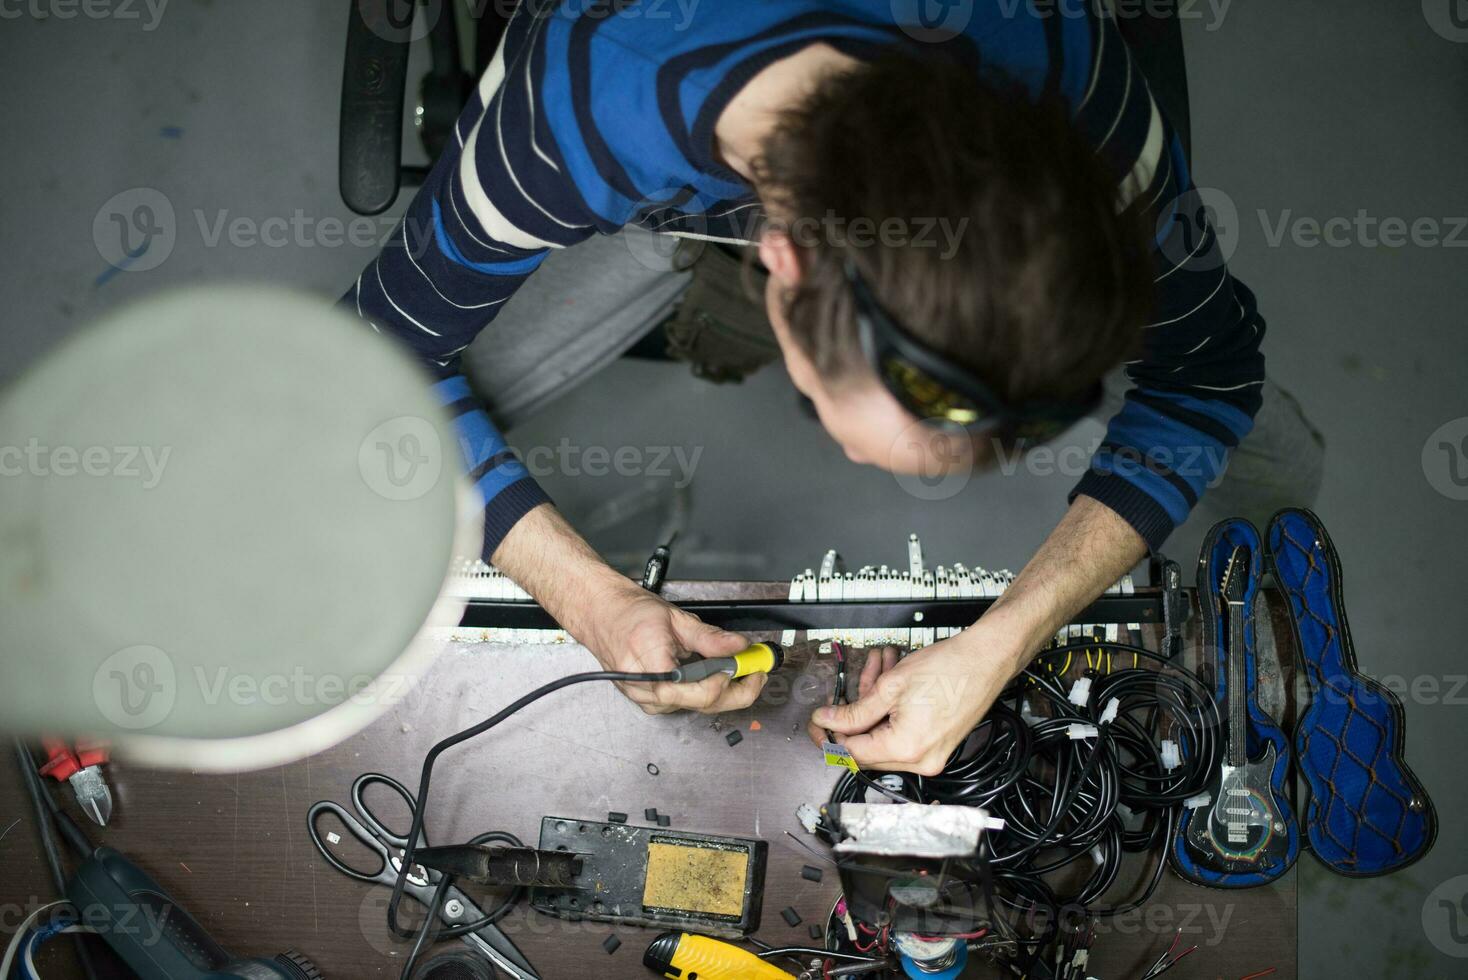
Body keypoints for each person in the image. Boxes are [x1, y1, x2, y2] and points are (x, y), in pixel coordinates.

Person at [345, 0, 1323, 775]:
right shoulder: (579, 113)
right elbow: (372, 363)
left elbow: (1208, 374)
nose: (840, 457)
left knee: (1273, 449)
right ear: (777, 261)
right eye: (829, 414)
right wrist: (587, 595)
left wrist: (1009, 636)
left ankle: (1251, 622)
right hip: (662, 151)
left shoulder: (1084, 116)